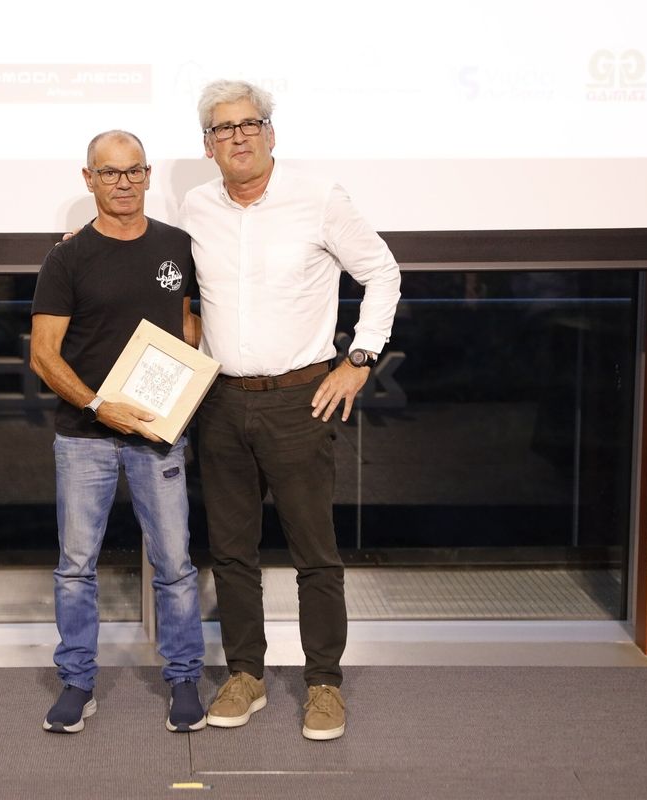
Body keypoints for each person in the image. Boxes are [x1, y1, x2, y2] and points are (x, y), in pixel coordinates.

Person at [178, 80, 403, 741]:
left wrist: (359, 359)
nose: (238, 136)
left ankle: (324, 683)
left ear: (270, 133)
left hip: (300, 401)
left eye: (249, 124)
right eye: (223, 129)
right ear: (208, 145)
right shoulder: (195, 206)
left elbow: (382, 272)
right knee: (231, 552)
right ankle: (245, 674)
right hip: (220, 401)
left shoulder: (318, 197)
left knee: (314, 553)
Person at [30, 130, 207, 734]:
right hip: (85, 437)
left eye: (133, 171)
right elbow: (44, 354)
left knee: (175, 563)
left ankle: (183, 678)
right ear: (89, 179)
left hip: (158, 433)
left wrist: (180, 372)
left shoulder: (178, 245)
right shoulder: (67, 258)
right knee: (76, 566)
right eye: (109, 173)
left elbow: (189, 322)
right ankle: (77, 682)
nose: (123, 182)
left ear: (148, 174)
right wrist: (99, 405)